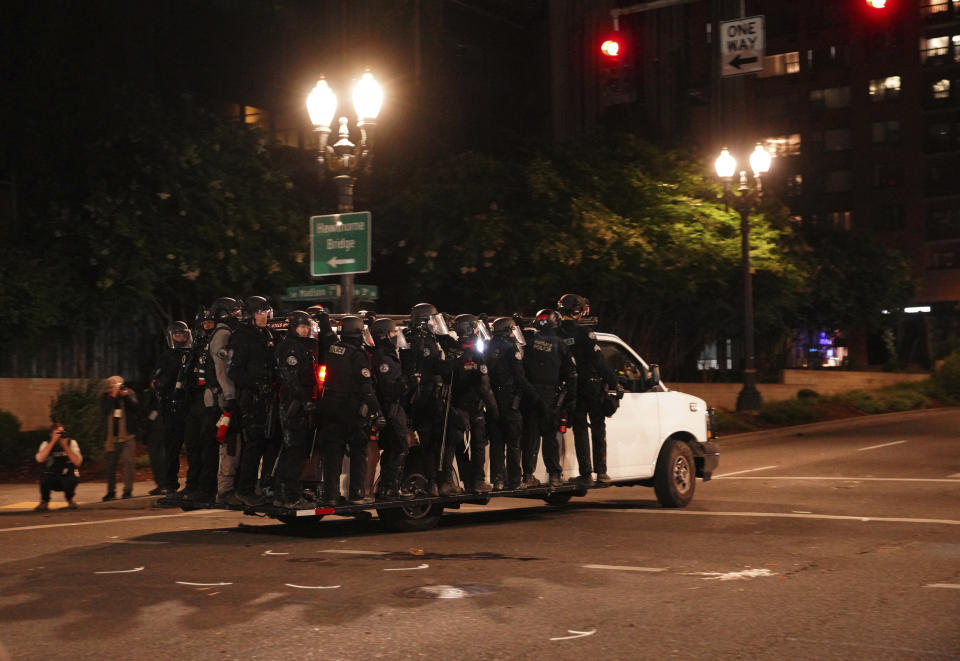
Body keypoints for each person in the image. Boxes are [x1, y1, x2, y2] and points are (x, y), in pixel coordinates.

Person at [321, 315, 382, 506]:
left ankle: (331, 495)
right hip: (351, 409)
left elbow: (327, 335)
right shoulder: (357, 355)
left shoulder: (333, 347)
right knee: (358, 451)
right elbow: (366, 387)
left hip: (330, 406)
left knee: (333, 454)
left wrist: (324, 320)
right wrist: (377, 411)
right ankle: (356, 493)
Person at [557, 293, 615, 485]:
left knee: (580, 430)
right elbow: (600, 362)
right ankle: (601, 472)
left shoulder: (557, 335)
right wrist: (614, 382)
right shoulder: (585, 334)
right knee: (598, 429)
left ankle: (586, 474)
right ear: (578, 312)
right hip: (591, 387)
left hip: (572, 390)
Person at [400, 302, 456, 497]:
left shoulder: (414, 337)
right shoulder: (418, 340)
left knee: (430, 442)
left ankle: (434, 482)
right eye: (432, 319)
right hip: (427, 397)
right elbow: (431, 366)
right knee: (443, 438)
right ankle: (441, 482)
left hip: (423, 398)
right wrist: (455, 363)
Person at [441, 314, 498, 495]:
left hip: (456, 405)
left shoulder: (452, 347)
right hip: (474, 405)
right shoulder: (477, 350)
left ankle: (460, 480)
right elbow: (484, 384)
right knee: (477, 444)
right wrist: (494, 410)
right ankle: (477, 481)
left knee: (458, 445)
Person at [229, 296, 277, 507]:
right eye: (260, 312)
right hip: (252, 399)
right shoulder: (241, 337)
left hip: (269, 398)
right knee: (254, 445)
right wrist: (256, 385)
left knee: (271, 442)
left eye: (266, 312)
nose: (264, 316)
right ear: (250, 315)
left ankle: (266, 486)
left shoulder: (266, 334)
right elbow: (234, 371)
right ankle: (244, 489)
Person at [522, 309, 578, 487]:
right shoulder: (560, 344)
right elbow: (571, 374)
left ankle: (528, 475)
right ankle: (554, 474)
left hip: (530, 394)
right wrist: (570, 399)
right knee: (550, 438)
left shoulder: (529, 341)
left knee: (531, 437)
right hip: (551, 396)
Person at [273, 310, 320, 508]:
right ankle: (289, 497)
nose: (306, 330)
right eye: (302, 326)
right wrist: (304, 401)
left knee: (296, 450)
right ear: (293, 327)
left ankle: (286, 494)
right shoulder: (291, 347)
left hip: (298, 403)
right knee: (295, 449)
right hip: (293, 405)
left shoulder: (299, 346)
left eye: (307, 326)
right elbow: (290, 378)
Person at [486, 317, 538, 490]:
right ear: (508, 331)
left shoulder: (488, 346)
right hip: (509, 399)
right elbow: (520, 377)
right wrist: (534, 396)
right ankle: (515, 480)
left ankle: (498, 480)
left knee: (497, 441)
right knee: (513, 441)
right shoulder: (511, 348)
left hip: (492, 398)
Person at [370, 318, 414, 500]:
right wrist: (406, 383)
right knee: (399, 447)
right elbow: (389, 389)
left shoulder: (387, 354)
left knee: (392, 448)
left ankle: (387, 487)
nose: (396, 336)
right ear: (385, 335)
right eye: (394, 333)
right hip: (391, 409)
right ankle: (391, 487)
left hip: (392, 408)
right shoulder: (383, 357)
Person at [207, 296, 242, 503]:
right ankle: (226, 489)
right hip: (225, 396)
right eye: (235, 312)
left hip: (225, 394)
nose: (238, 316)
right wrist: (229, 394)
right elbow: (221, 370)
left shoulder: (224, 333)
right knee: (229, 442)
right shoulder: (223, 335)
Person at [152, 320, 193, 494]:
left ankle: (193, 483)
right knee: (171, 449)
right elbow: (157, 381)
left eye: (183, 333)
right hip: (171, 408)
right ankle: (170, 483)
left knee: (194, 448)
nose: (181, 337)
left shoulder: (193, 354)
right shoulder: (167, 356)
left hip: (189, 407)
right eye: (177, 334)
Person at [100, 376, 139, 500]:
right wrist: (113, 395)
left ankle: (127, 490)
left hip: (127, 436)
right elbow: (105, 410)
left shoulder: (129, 393)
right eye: (114, 385)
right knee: (111, 465)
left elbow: (136, 407)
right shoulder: (105, 396)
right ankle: (111, 492)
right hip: (112, 439)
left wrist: (125, 396)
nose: (117, 387)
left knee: (129, 462)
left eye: (119, 384)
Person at [34, 423, 83, 510]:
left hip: (67, 474)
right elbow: (39, 459)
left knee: (73, 477)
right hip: (52, 475)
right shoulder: (46, 444)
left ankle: (70, 499)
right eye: (57, 433)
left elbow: (78, 462)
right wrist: (53, 442)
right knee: (43, 475)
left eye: (62, 432)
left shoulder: (71, 443)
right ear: (51, 434)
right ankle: (44, 501)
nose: (60, 435)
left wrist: (65, 446)